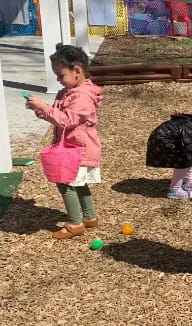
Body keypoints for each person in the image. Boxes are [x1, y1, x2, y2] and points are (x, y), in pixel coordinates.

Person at [26, 44, 103, 239]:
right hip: (74, 148)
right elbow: (58, 115)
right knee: (78, 183)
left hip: (78, 149)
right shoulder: (69, 92)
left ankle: (75, 223)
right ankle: (89, 217)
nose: (59, 80)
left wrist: (45, 107)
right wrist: (43, 112)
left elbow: (67, 120)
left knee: (65, 182)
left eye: (61, 75)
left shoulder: (82, 96)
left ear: (77, 71)